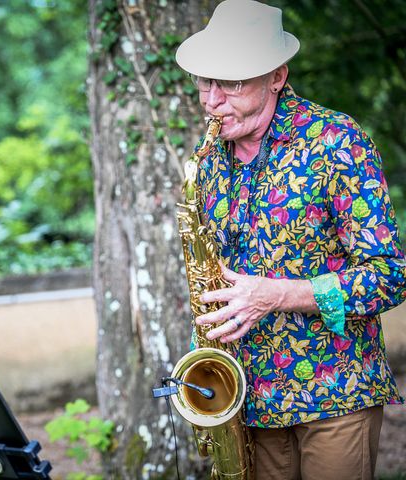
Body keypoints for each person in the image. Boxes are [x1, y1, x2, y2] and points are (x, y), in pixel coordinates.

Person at [174, 1, 406, 479]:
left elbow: (389, 277)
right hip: (246, 401)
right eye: (205, 82)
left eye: (231, 83)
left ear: (276, 76)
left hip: (334, 393)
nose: (212, 101)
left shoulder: (337, 141)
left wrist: (278, 294)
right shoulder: (211, 160)